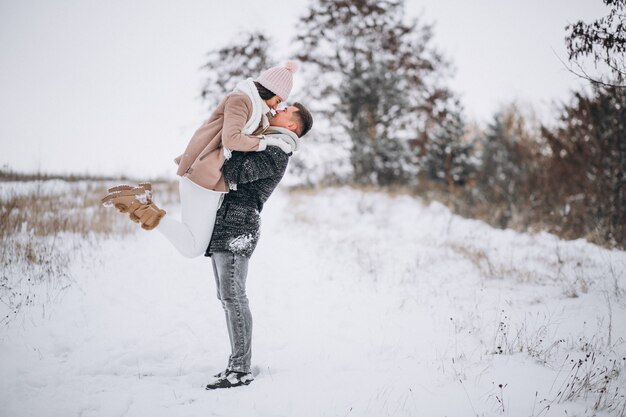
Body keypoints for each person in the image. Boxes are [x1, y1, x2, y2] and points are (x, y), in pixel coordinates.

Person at [101, 62, 299, 257]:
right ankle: (137, 203)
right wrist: (264, 143)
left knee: (194, 245)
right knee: (192, 247)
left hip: (211, 178)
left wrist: (275, 140)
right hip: (203, 174)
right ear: (270, 91)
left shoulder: (256, 110)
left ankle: (141, 201)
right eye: (278, 100)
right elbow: (232, 139)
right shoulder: (241, 100)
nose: (277, 106)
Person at [204, 103, 313, 390]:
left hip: (239, 227)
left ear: (291, 126)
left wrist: (237, 138)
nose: (281, 108)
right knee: (227, 297)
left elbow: (233, 171)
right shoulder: (265, 144)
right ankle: (235, 364)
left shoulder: (276, 152)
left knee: (235, 297)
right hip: (227, 225)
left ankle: (241, 369)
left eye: (287, 110)